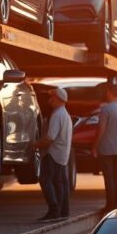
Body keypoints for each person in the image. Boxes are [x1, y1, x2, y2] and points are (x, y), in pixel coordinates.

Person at [36, 88, 72, 221]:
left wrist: (35, 145)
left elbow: (50, 138)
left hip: (53, 153)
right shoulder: (66, 115)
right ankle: (64, 211)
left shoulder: (57, 115)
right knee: (60, 182)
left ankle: (53, 210)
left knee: (45, 179)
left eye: (52, 97)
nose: (49, 100)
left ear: (58, 99)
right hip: (63, 154)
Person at [93, 80, 117, 212]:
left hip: (106, 149)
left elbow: (101, 129)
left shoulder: (106, 109)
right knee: (116, 177)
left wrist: (95, 146)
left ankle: (109, 205)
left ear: (109, 93)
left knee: (108, 178)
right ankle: (116, 203)